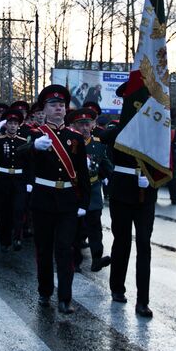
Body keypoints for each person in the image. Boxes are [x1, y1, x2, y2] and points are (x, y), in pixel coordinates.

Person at [20, 84, 90, 314]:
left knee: (64, 248)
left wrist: (83, 203)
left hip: (68, 201)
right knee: (44, 248)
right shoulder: (34, 134)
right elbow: (18, 155)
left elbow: (83, 174)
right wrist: (33, 147)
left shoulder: (75, 137)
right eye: (53, 105)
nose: (59, 108)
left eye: (62, 105)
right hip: (43, 199)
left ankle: (65, 298)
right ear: (44, 109)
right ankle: (45, 291)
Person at [101, 83, 157, 318]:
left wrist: (152, 177)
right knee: (122, 241)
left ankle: (143, 300)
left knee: (144, 243)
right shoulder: (116, 129)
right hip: (122, 191)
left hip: (147, 191)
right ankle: (117, 288)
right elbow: (102, 138)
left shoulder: (155, 130)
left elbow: (165, 160)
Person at [68, 107, 113, 272]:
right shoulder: (70, 142)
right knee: (75, 227)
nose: (84, 128)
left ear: (93, 124)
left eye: (88, 124)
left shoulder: (98, 144)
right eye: (81, 124)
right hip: (75, 189)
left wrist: (109, 176)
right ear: (74, 125)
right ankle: (75, 261)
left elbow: (105, 163)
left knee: (95, 226)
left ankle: (97, 258)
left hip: (93, 189)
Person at [0, 109, 30, 252]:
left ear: (19, 125)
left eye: (15, 123)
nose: (12, 126)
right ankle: (4, 241)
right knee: (4, 212)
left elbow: (30, 163)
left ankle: (17, 238)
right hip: (3, 179)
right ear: (6, 125)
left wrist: (29, 182)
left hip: (19, 180)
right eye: (10, 123)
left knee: (18, 210)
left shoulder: (23, 142)